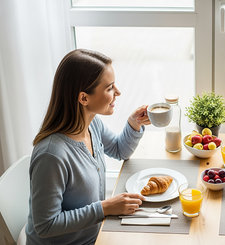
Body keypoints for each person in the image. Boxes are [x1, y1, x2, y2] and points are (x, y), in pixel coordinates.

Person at [26, 49, 150, 244]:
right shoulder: (52, 155)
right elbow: (46, 225)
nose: (118, 92)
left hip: (94, 235)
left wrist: (134, 124)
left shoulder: (92, 124)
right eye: (109, 88)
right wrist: (105, 208)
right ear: (84, 98)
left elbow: (120, 150)